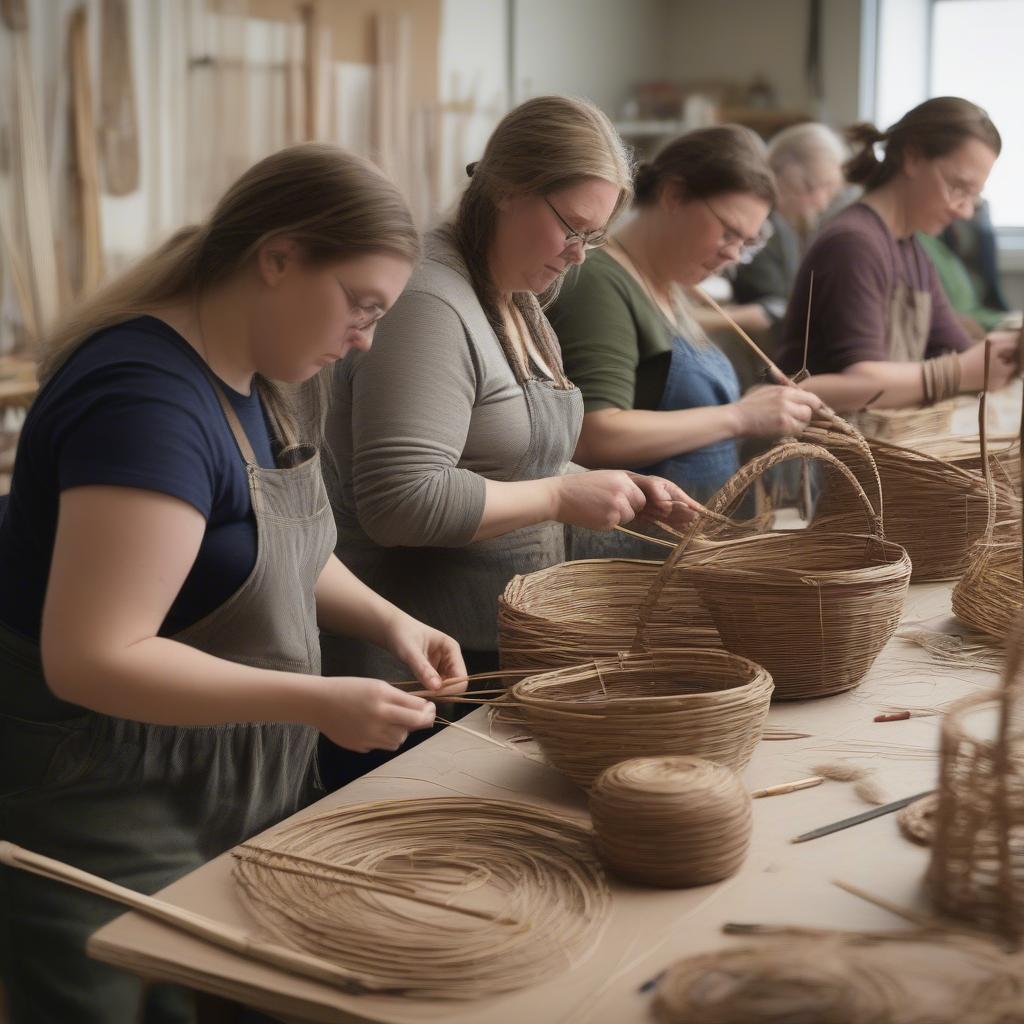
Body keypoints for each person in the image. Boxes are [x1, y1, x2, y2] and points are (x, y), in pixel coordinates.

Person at [0, 144, 465, 1023]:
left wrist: (391, 620)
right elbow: (93, 658)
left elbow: (270, 547)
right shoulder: (146, 404)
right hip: (101, 790)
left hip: (212, 775)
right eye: (361, 307)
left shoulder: (256, 373)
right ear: (280, 257)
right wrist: (316, 700)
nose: (364, 339)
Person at [321, 96, 700, 710]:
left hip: (494, 644)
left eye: (594, 236)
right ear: (508, 188)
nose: (579, 253)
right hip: (419, 669)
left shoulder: (514, 292)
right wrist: (558, 496)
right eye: (570, 226)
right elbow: (399, 500)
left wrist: (614, 484)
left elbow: (505, 462)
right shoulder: (430, 303)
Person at [547, 124, 823, 517]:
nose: (732, 255)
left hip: (691, 548)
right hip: (631, 559)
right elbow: (595, 434)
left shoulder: (671, 286)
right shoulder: (599, 281)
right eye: (728, 232)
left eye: (747, 243)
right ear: (674, 194)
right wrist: (741, 416)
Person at [777, 97, 1019, 411]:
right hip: (819, 455)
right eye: (958, 187)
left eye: (974, 196)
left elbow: (960, 350)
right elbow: (859, 380)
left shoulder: (913, 251)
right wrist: (956, 373)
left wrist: (1004, 355)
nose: (965, 210)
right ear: (913, 158)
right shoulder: (854, 245)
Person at [732, 121, 847, 330]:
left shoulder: (789, 228)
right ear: (781, 166)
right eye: (810, 186)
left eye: (829, 192)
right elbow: (773, 305)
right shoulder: (755, 220)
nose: (820, 203)